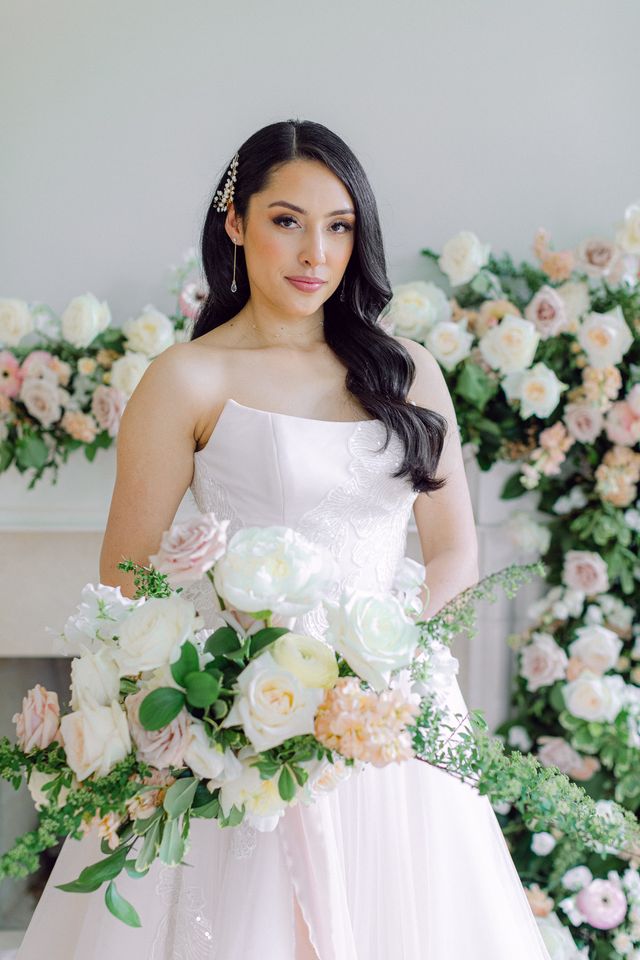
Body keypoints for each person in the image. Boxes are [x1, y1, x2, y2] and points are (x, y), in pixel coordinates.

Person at [15, 119, 551, 959]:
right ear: (235, 222)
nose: (315, 253)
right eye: (287, 220)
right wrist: (220, 691)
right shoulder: (188, 378)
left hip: (392, 714)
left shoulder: (405, 371)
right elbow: (126, 576)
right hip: (244, 724)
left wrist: (387, 666)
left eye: (339, 226)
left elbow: (453, 548)